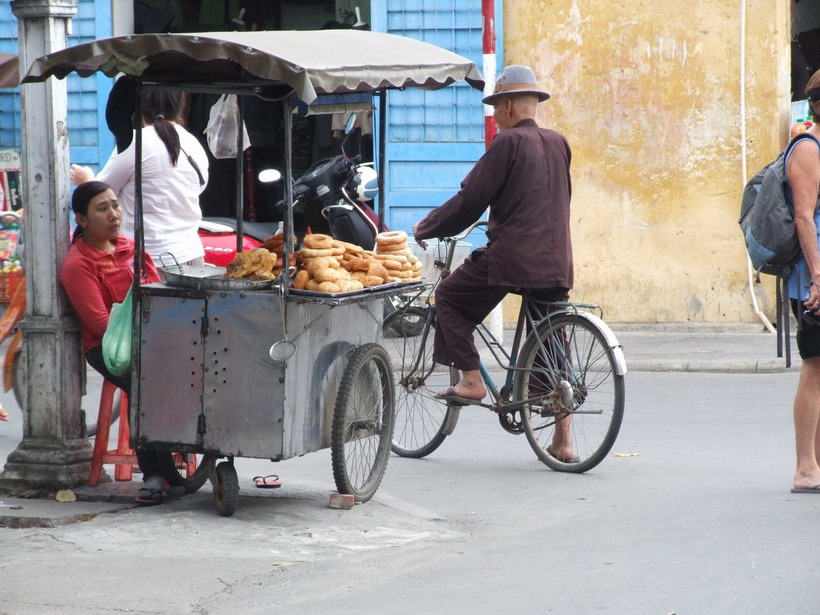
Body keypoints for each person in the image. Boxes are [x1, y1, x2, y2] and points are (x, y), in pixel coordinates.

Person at [412, 65, 575, 461]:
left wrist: (429, 225)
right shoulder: (559, 143)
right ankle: (564, 441)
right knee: (552, 339)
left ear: (505, 107)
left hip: (513, 256)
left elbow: (471, 200)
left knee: (449, 297)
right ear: (532, 103)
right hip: (557, 259)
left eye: (496, 108)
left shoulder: (506, 145)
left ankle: (470, 380)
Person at [59, 180, 169, 504]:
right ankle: (153, 474)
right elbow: (101, 324)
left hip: (152, 338)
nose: (113, 214)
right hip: (108, 348)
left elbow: (159, 293)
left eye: (115, 205)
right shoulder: (77, 265)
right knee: (147, 385)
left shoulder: (130, 248)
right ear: (81, 219)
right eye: (102, 208)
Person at [70, 89, 209, 267]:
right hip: (192, 255)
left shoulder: (135, 143)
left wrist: (86, 179)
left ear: (140, 108)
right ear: (181, 107)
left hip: (152, 261)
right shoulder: (194, 144)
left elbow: (102, 195)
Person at [787, 69, 820, 493]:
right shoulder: (808, 150)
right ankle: (805, 468)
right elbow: (802, 217)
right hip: (813, 279)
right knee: (814, 367)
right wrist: (817, 277)